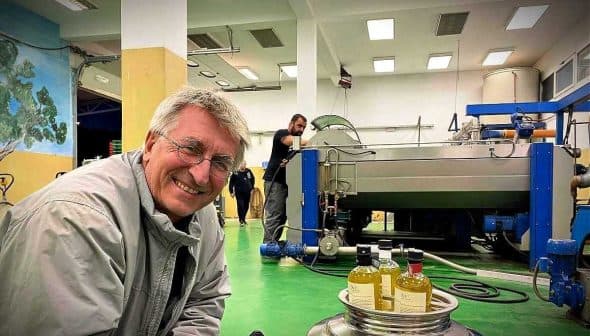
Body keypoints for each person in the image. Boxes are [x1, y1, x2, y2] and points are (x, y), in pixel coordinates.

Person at [0, 87, 250, 336]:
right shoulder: (74, 220)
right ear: (151, 144)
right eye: (190, 148)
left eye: (220, 162)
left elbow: (204, 301)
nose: (201, 176)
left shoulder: (201, 212)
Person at [262, 114, 308, 243]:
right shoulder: (281, 134)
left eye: (304, 127)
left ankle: (273, 242)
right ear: (291, 123)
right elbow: (292, 141)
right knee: (275, 214)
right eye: (299, 126)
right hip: (274, 181)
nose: (301, 130)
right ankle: (268, 245)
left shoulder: (297, 145)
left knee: (282, 215)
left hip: (285, 183)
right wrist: (316, 141)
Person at [229, 161, 255, 227]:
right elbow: (231, 182)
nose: (244, 165)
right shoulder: (235, 172)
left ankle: (243, 218)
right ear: (239, 165)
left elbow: (252, 179)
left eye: (245, 164)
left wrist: (252, 188)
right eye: (242, 164)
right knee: (241, 205)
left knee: (246, 206)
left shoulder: (248, 171)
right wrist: (231, 191)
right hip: (239, 192)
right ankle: (241, 220)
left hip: (247, 192)